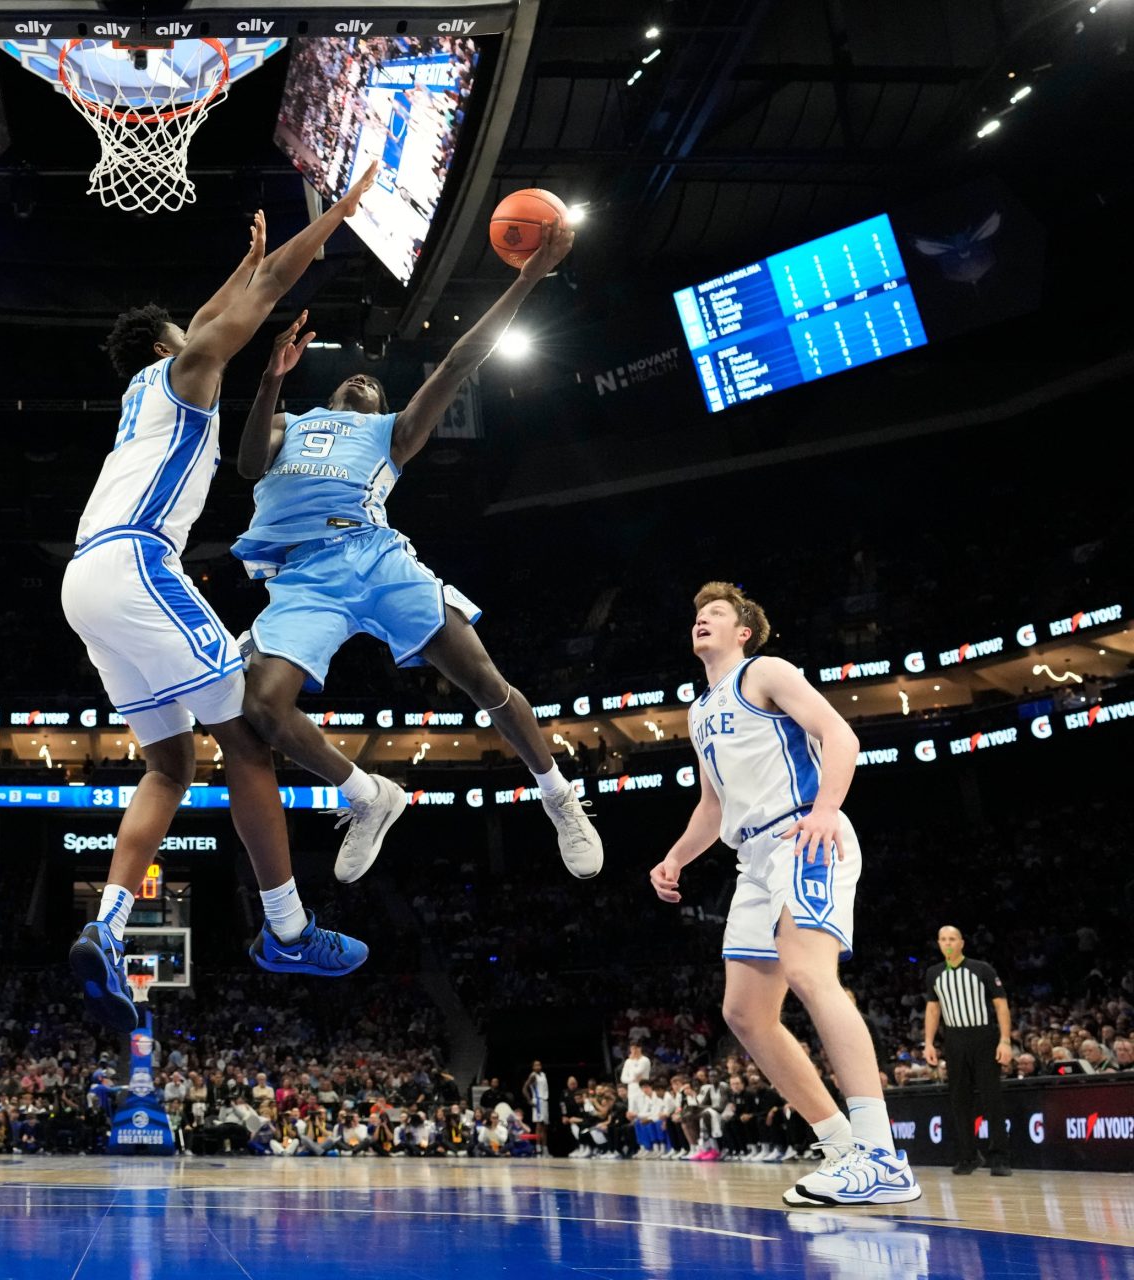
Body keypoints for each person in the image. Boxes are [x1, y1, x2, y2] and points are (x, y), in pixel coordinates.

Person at [61, 164, 382, 1032]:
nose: (210, 326)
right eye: (195, 326)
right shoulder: (184, 373)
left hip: (86, 580)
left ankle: (107, 925)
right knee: (244, 734)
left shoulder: (147, 393)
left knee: (171, 765)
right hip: (136, 565)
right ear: (175, 344)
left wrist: (241, 273)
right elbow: (260, 296)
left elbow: (220, 309)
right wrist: (334, 222)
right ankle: (287, 928)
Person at [232, 222, 600, 884]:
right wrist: (268, 381)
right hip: (304, 579)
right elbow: (247, 463)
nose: (364, 382)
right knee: (260, 708)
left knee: (485, 682)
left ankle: (559, 797)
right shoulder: (291, 421)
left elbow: (461, 359)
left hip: (375, 558)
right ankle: (369, 797)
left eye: (376, 384)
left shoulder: (394, 433)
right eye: (357, 379)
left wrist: (524, 280)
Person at [649, 582, 919, 1205]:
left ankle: (880, 1155)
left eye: (715, 613)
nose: (701, 621)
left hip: (804, 831)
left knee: (807, 970)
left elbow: (840, 736)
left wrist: (827, 810)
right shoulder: (698, 711)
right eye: (696, 615)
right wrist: (675, 857)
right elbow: (713, 806)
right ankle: (843, 1147)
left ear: (743, 630)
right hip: (753, 859)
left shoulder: (765, 670)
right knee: (744, 1014)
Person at [922, 925, 1013, 1176]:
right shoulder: (934, 973)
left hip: (983, 1036)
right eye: (943, 939)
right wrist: (929, 1042)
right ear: (938, 944)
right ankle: (968, 1156)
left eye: (952, 939)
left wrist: (1005, 1040)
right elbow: (932, 1009)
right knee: (959, 1099)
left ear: (962, 943)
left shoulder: (981, 968)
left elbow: (1001, 1005)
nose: (948, 943)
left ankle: (1000, 1157)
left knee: (990, 1096)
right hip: (954, 1039)